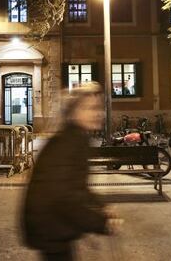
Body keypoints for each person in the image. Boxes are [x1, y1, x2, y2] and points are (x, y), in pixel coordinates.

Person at [22, 82, 119, 261]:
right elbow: (64, 196)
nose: (99, 114)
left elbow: (76, 186)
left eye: (99, 108)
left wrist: (100, 205)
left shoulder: (75, 137)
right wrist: (100, 222)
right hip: (49, 226)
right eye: (91, 108)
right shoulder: (69, 142)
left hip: (52, 224)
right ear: (75, 112)